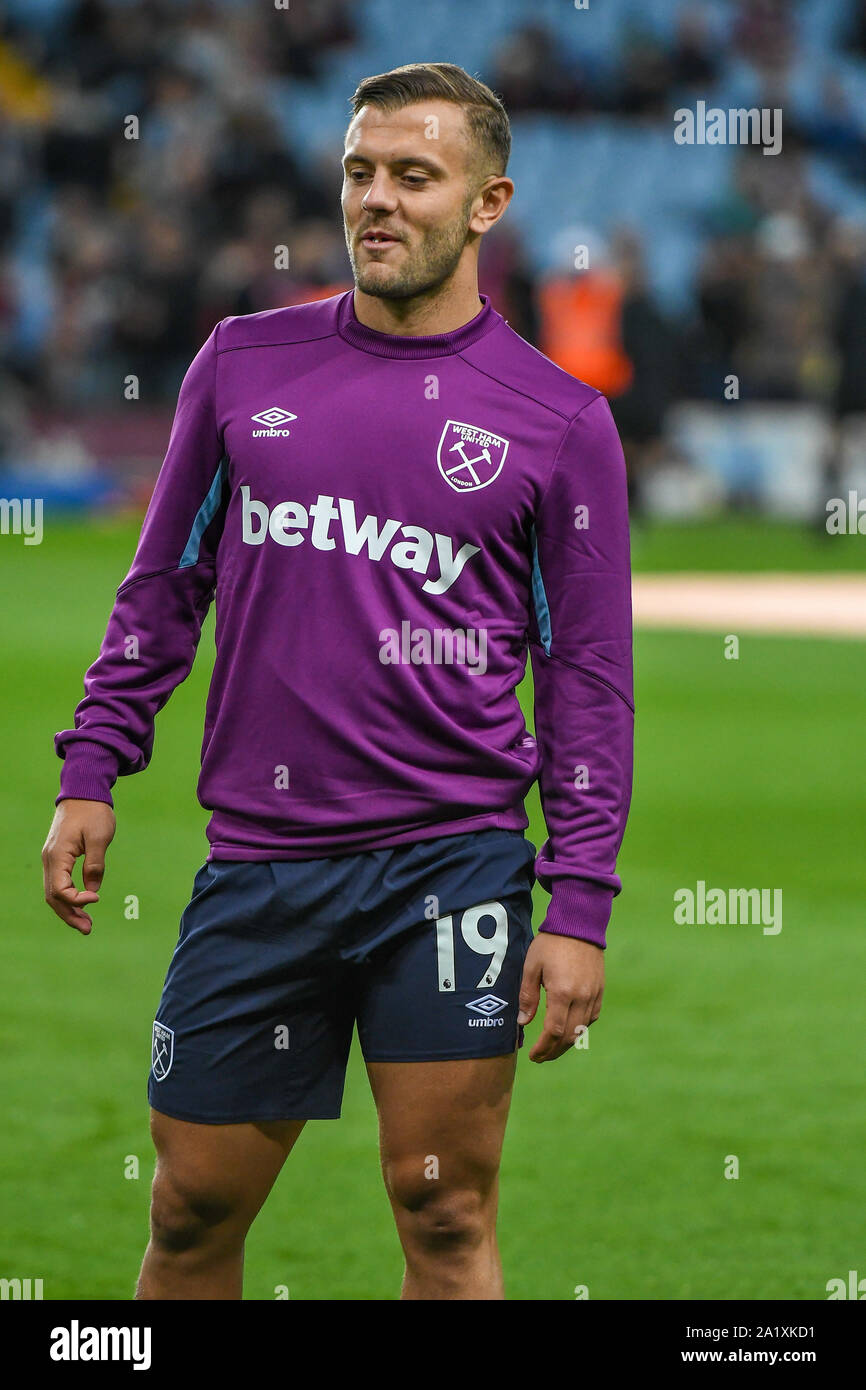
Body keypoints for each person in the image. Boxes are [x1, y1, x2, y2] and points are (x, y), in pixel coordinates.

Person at [43, 61, 634, 1302]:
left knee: (443, 1211)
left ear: (487, 203)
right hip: (262, 858)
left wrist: (578, 901)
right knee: (191, 1208)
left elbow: (585, 677)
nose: (376, 199)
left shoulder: (556, 420)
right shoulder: (242, 363)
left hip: (452, 863)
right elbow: (163, 585)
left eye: (414, 176)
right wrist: (94, 763)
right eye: (360, 171)